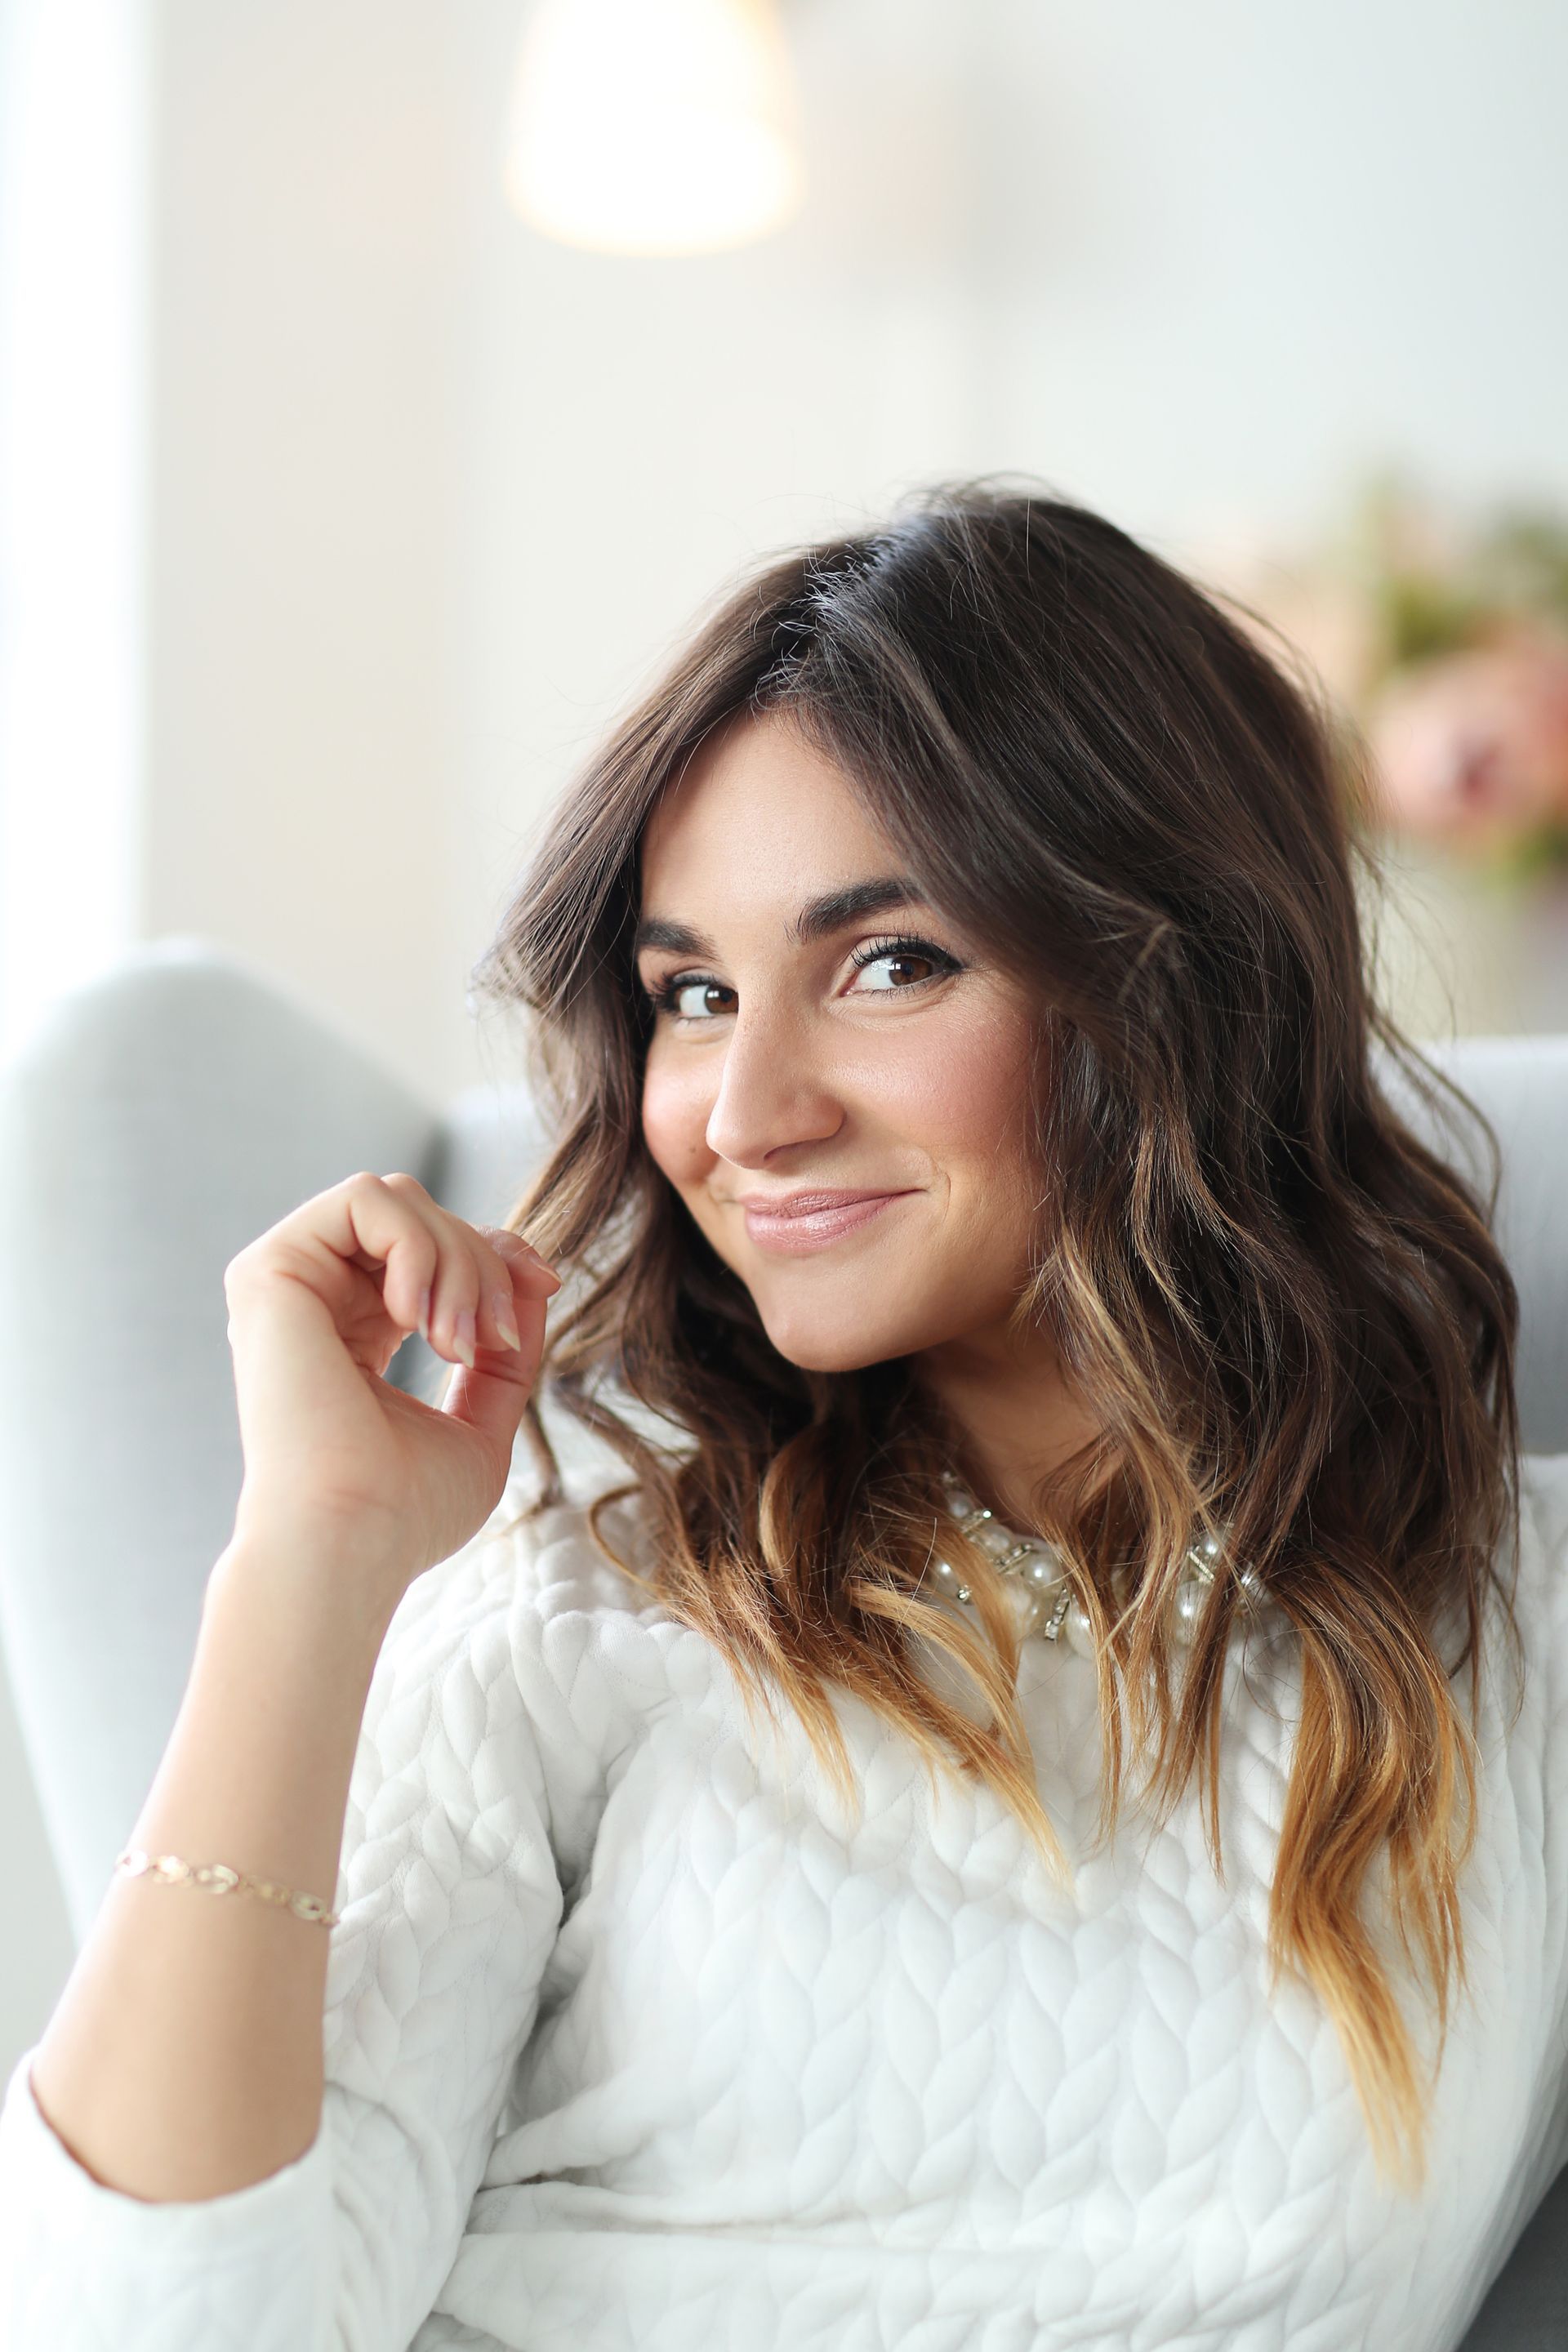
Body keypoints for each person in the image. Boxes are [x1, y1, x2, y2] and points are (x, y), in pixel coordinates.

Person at [2, 478, 1566, 2351]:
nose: (742, 1113)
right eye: (693, 992)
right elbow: (145, 2330)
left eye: (889, 963)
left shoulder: (1514, 1626)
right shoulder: (578, 1599)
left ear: (1185, 981)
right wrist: (312, 1565)